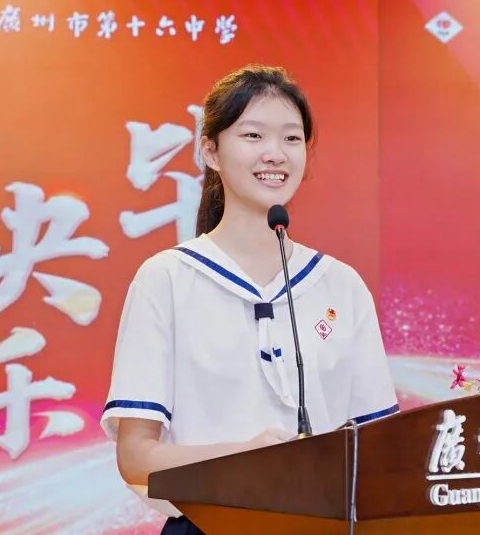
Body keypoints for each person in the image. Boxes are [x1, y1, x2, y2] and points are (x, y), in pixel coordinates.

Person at [100, 65, 398, 535]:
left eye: (292, 138)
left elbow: (380, 450)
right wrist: (247, 458)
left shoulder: (340, 285)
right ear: (210, 151)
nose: (275, 153)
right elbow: (136, 457)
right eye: (253, 135)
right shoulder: (167, 279)